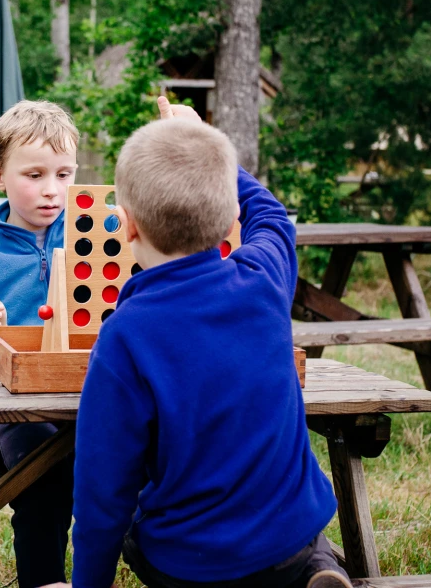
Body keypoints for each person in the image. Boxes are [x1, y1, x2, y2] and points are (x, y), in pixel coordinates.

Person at [67, 98, 352, 588]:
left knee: (137, 517)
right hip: (288, 540)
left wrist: (88, 584)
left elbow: (103, 490)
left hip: (192, 565)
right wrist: (208, 146)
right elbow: (273, 216)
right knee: (298, 526)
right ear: (228, 223)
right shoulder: (263, 280)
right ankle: (318, 567)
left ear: (127, 223)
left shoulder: (124, 336)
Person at [0, 100, 79, 587]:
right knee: (46, 481)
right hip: (17, 404)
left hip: (87, 393)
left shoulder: (93, 233)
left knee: (118, 470)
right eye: (35, 175)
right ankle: (43, 580)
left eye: (64, 174)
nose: (52, 190)